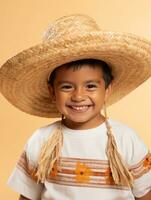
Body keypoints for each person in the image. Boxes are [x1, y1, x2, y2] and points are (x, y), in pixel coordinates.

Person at [0, 14, 151, 200]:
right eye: (67, 87)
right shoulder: (41, 140)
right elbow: (27, 196)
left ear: (107, 90)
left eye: (91, 86)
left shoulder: (126, 140)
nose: (79, 96)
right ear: (52, 91)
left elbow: (145, 195)